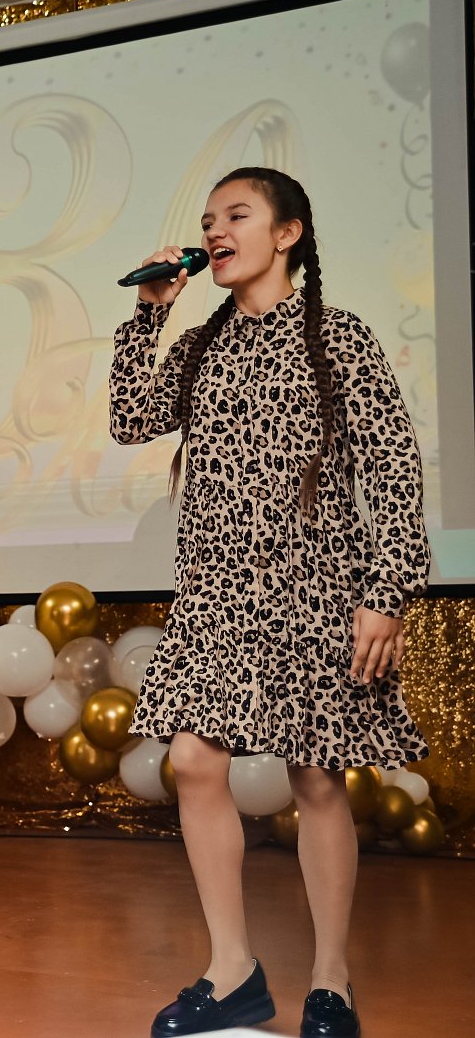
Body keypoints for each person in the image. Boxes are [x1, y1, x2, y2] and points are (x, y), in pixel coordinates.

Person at [109, 167, 430, 1038]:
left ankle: (331, 978)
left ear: (288, 234)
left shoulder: (339, 336)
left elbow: (394, 470)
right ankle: (233, 970)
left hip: (317, 589)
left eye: (237, 215)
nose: (215, 230)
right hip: (215, 593)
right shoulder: (201, 344)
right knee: (194, 760)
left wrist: (387, 592)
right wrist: (150, 311)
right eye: (208, 219)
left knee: (317, 777)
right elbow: (129, 417)